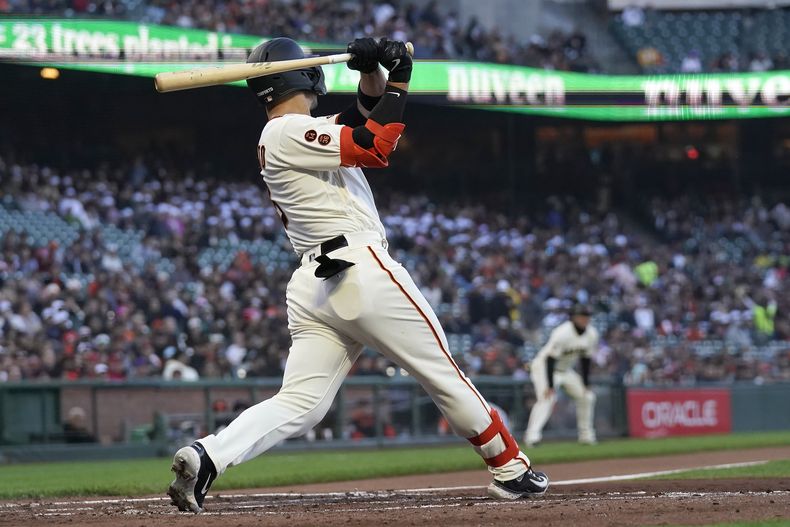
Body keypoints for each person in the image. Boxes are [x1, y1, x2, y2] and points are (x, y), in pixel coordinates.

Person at [166, 37, 549, 513]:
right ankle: (510, 468)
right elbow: (375, 145)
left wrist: (372, 72)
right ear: (304, 75)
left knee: (301, 402)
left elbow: (362, 115)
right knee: (441, 371)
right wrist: (403, 74)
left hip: (316, 284)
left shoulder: (292, 131)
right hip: (357, 267)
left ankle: (209, 456)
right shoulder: (285, 132)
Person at [524, 303, 598, 447]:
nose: (584, 319)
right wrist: (550, 386)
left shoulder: (592, 334)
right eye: (581, 316)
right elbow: (550, 359)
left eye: (587, 316)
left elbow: (585, 360)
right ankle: (532, 437)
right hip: (544, 368)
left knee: (587, 396)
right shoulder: (563, 333)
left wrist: (586, 383)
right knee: (547, 398)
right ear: (573, 317)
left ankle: (586, 436)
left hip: (565, 370)